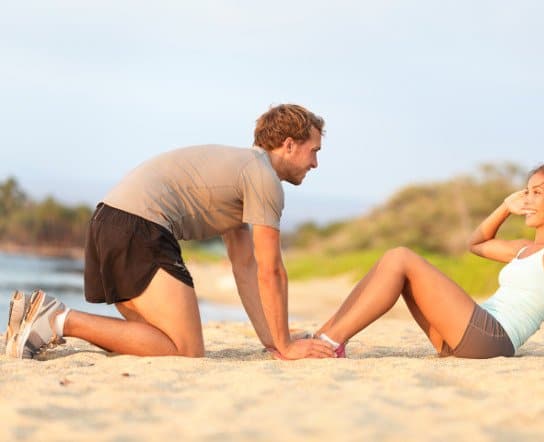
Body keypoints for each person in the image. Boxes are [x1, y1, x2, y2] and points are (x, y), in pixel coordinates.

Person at [4, 104, 335, 360]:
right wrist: (288, 346)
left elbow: (246, 267)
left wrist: (273, 342)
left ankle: (39, 326)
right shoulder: (263, 177)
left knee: (152, 337)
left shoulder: (243, 170)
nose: (315, 164)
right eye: (314, 151)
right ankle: (57, 319)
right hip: (138, 227)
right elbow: (271, 271)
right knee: (186, 350)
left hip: (108, 223)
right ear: (289, 145)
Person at [313, 162, 544, 359]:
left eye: (538, 193)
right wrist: (504, 207)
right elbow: (476, 244)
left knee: (402, 257)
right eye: (527, 190)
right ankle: (324, 336)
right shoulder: (523, 249)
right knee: (391, 260)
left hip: (493, 339)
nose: (527, 199)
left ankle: (330, 344)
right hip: (467, 336)